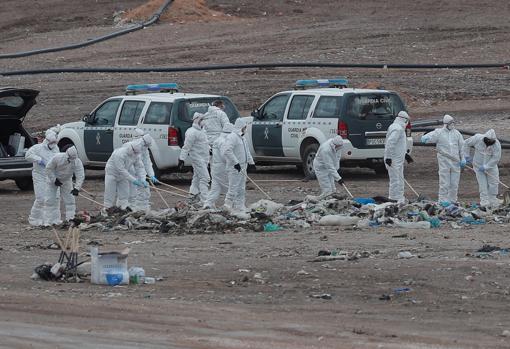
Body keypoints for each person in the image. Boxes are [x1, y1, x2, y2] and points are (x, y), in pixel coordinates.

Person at [421, 114, 465, 204]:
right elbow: (430, 136)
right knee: (444, 182)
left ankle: (453, 200)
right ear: (445, 124)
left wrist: (463, 158)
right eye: (450, 123)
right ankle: (442, 201)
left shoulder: (457, 134)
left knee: (454, 183)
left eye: (453, 122)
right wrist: (425, 138)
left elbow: (462, 147)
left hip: (456, 162)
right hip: (444, 161)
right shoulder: (439, 132)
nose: (452, 124)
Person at [25, 130, 60, 226]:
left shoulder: (56, 149)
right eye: (51, 143)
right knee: (41, 198)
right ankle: (34, 219)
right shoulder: (37, 148)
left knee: (55, 198)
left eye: (54, 143)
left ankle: (53, 220)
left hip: (51, 176)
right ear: (47, 141)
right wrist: (39, 160)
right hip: (39, 175)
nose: (53, 145)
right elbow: (28, 155)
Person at [45, 146, 85, 225]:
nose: (71, 160)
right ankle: (51, 221)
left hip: (66, 180)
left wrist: (77, 188)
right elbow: (49, 169)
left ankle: (70, 220)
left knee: (70, 201)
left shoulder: (77, 162)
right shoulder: (57, 158)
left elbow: (80, 175)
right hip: (53, 179)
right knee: (51, 200)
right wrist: (54, 179)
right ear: (67, 155)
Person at [463, 129, 502, 208]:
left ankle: (493, 200)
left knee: (493, 182)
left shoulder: (497, 144)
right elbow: (466, 143)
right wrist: (466, 155)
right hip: (478, 166)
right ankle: (484, 201)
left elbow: (496, 158)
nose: (489, 143)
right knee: (482, 183)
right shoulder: (477, 138)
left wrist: (486, 166)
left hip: (491, 166)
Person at [224, 118, 255, 212]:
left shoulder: (242, 138)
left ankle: (240, 206)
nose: (245, 129)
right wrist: (235, 162)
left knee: (241, 187)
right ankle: (227, 206)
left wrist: (251, 162)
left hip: (243, 166)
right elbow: (227, 150)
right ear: (241, 127)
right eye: (244, 127)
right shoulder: (232, 137)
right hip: (235, 167)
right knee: (233, 187)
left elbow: (247, 151)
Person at [178, 112, 210, 203]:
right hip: (197, 159)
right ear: (197, 120)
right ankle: (205, 201)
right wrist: (182, 159)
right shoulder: (191, 132)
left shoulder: (202, 131)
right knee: (205, 178)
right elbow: (186, 147)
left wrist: (210, 149)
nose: (204, 121)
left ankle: (192, 196)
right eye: (202, 119)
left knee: (197, 178)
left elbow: (204, 143)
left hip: (204, 159)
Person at [104, 141, 146, 210]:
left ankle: (123, 211)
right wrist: (134, 180)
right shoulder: (119, 154)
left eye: (137, 153)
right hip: (112, 174)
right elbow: (121, 170)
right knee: (110, 195)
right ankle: (107, 211)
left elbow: (139, 167)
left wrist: (143, 179)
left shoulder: (135, 155)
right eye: (135, 152)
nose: (135, 154)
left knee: (124, 195)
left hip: (123, 176)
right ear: (131, 148)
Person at [203, 123, 235, 209]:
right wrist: (234, 162)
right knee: (229, 186)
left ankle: (208, 204)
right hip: (222, 167)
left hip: (215, 167)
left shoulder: (218, 140)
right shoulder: (224, 141)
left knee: (215, 188)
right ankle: (232, 204)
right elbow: (224, 154)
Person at [384, 110, 413, 204]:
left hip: (398, 159)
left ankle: (400, 198)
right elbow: (390, 143)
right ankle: (393, 199)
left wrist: (405, 154)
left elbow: (399, 145)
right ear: (404, 120)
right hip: (393, 160)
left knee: (400, 180)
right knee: (395, 180)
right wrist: (388, 157)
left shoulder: (399, 128)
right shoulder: (397, 129)